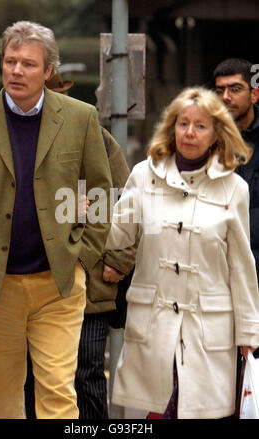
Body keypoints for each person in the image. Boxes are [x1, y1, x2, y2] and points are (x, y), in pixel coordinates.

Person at [0, 21, 113, 419]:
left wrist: (84, 259)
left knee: (59, 398)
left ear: (48, 72)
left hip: (58, 284)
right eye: (10, 61)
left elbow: (99, 190)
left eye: (28, 64)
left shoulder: (80, 118)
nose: (16, 71)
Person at [105, 86, 259, 419]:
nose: (189, 132)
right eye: (183, 123)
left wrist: (249, 333)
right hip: (154, 325)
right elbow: (118, 239)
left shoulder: (235, 189)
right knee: (159, 411)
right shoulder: (143, 176)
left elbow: (241, 268)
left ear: (216, 134)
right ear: (172, 127)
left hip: (208, 328)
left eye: (200, 125)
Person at [24, 72, 136, 419]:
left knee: (86, 372)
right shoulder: (17, 142)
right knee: (33, 377)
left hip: (89, 281)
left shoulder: (100, 142)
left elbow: (125, 204)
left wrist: (115, 259)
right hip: (32, 276)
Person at [214, 58, 259, 406]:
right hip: (214, 280)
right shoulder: (202, 140)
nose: (226, 97)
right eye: (220, 90)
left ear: (254, 94)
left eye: (235, 89)